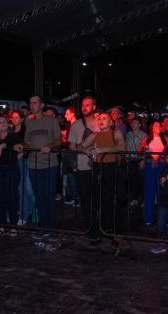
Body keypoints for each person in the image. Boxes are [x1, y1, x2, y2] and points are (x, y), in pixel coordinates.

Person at [81, 111, 126, 240]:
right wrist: (86, 150)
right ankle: (99, 230)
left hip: (112, 169)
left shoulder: (115, 133)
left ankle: (115, 231)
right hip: (98, 168)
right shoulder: (94, 134)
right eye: (99, 118)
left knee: (113, 200)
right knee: (98, 200)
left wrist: (103, 149)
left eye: (104, 118)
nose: (101, 120)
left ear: (110, 122)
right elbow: (80, 146)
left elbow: (121, 147)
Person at [25, 95, 62, 229]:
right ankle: (43, 225)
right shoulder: (29, 122)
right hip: (33, 164)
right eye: (30, 103)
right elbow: (27, 141)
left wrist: (50, 146)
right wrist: (22, 146)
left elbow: (59, 140)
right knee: (39, 196)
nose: (32, 105)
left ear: (42, 105)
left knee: (49, 196)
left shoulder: (51, 120)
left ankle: (51, 226)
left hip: (49, 164)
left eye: (35, 102)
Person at [69, 96, 101, 239]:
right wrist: (81, 153)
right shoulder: (76, 125)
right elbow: (71, 146)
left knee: (99, 199)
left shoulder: (100, 122)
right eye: (83, 105)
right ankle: (92, 229)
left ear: (94, 107)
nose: (84, 107)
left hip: (99, 167)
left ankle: (102, 227)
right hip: (82, 168)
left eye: (88, 105)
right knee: (86, 200)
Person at [0, 115, 22, 238]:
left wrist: (2, 145)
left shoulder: (14, 135)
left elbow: (14, 142)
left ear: (8, 124)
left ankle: (13, 225)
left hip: (10, 169)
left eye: (4, 122)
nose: (2, 124)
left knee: (11, 197)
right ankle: (2, 224)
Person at [138, 121, 167, 227]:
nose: (157, 126)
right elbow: (139, 150)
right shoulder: (147, 139)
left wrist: (158, 158)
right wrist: (144, 151)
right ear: (152, 127)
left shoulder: (165, 140)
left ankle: (162, 218)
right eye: (155, 125)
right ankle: (148, 218)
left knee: (161, 193)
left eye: (159, 125)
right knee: (149, 192)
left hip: (161, 166)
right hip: (150, 166)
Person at [10, 110, 33, 225]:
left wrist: (21, 154)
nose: (14, 119)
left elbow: (28, 145)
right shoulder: (10, 132)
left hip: (23, 161)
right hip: (12, 162)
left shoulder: (26, 131)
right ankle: (20, 211)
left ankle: (24, 214)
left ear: (22, 119)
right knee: (14, 188)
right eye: (13, 117)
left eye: (16, 117)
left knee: (23, 188)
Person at [125, 116, 147, 206]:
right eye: (132, 123)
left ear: (139, 125)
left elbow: (145, 149)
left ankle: (143, 199)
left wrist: (143, 160)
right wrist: (126, 157)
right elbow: (127, 146)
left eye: (135, 123)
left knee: (141, 180)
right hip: (131, 159)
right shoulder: (128, 134)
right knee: (133, 180)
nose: (133, 124)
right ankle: (134, 198)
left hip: (139, 159)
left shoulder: (144, 135)